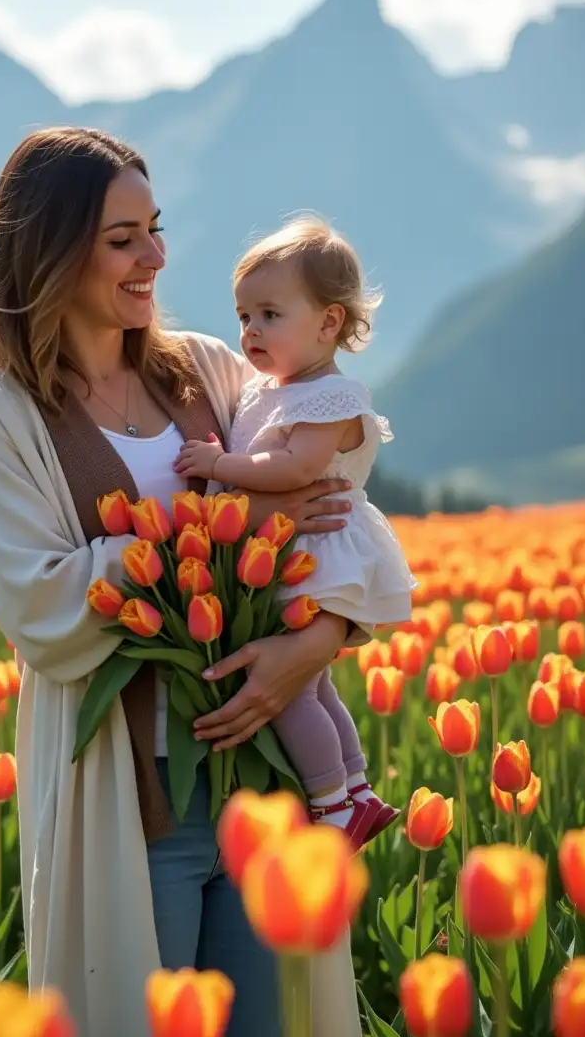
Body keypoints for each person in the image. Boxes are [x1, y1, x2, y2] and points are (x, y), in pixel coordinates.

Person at [0, 129, 368, 1037]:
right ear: (52, 250)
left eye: (155, 228)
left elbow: (336, 518)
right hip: (135, 797)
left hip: (271, 779)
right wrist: (231, 526)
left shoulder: (213, 369)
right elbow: (43, 604)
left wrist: (313, 646)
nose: (157, 258)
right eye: (123, 237)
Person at [175, 216, 416, 850]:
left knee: (288, 694)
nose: (250, 331)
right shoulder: (273, 390)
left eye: (270, 315)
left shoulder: (331, 397)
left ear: (329, 323)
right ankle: (357, 789)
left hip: (319, 553)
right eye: (244, 315)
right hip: (297, 552)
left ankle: (333, 805)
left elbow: (295, 469)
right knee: (311, 682)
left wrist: (217, 467)